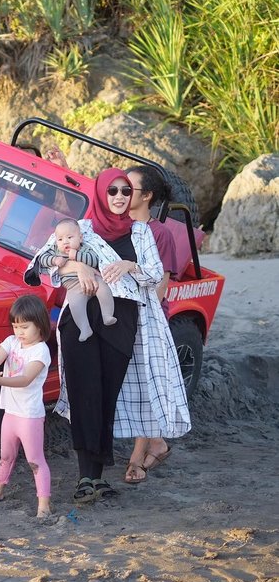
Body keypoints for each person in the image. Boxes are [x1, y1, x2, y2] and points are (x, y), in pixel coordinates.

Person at [28, 168, 189, 504]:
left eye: (125, 191)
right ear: (101, 193)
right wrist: (79, 268)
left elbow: (155, 275)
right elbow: (40, 262)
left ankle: (97, 477)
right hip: (81, 319)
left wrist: (129, 266)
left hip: (121, 320)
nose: (119, 197)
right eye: (112, 191)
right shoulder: (80, 229)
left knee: (106, 397)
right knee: (85, 393)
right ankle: (85, 478)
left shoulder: (141, 232)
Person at [123, 165, 178, 483]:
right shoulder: (118, 226)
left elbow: (161, 286)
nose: (121, 193)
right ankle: (156, 443)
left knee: (143, 388)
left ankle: (136, 458)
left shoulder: (161, 234)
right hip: (121, 315)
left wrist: (140, 318)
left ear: (146, 196)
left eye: (129, 188)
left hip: (148, 319)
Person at [0, 294, 52, 518]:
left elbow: (25, 379)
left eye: (24, 327)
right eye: (15, 326)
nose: (19, 332)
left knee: (34, 460)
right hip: (11, 412)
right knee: (6, 455)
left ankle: (44, 506)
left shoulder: (40, 351)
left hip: (29, 415)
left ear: (39, 325)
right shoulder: (12, 342)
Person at [37, 217, 116, 341]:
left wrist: (77, 255)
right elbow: (42, 259)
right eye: (60, 239)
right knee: (75, 304)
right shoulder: (56, 251)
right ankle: (84, 328)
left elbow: (94, 259)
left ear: (80, 237)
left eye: (70, 237)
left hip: (93, 279)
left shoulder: (85, 248)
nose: (65, 242)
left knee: (103, 288)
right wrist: (54, 260)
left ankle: (107, 314)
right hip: (73, 286)